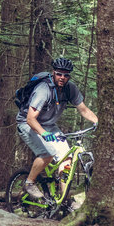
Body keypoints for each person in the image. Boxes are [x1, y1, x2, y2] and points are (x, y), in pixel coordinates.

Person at [16, 57, 98, 199]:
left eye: (66, 75)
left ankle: (64, 199)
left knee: (67, 159)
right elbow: (30, 118)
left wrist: (98, 122)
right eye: (59, 74)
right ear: (53, 73)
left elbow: (84, 110)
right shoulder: (44, 90)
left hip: (49, 125)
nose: (62, 77)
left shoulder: (70, 88)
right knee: (47, 154)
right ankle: (29, 183)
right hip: (27, 123)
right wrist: (43, 133)